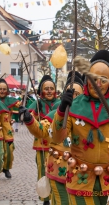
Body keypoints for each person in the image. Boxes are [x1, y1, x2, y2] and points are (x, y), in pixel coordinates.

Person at [52, 50, 109, 205]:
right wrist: (62, 110)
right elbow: (57, 137)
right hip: (80, 180)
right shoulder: (74, 106)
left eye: (103, 80)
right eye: (94, 78)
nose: (98, 84)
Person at [19, 71, 84, 205]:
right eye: (72, 94)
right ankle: (45, 199)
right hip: (59, 168)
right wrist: (29, 118)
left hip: (82, 173)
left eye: (78, 94)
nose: (75, 98)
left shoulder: (87, 116)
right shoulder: (56, 113)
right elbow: (42, 129)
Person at [28, 75, 60, 205]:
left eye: (51, 88)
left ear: (55, 91)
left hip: (57, 144)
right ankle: (45, 198)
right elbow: (31, 120)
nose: (49, 91)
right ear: (41, 91)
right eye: (46, 88)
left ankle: (57, 197)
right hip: (42, 144)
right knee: (43, 171)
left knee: (57, 171)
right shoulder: (37, 104)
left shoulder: (60, 104)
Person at [0, 79, 21, 179]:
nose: (2, 91)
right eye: (0, 89)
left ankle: (6, 168)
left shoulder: (11, 101)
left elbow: (19, 107)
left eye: (4, 89)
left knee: (9, 150)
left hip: (7, 130)